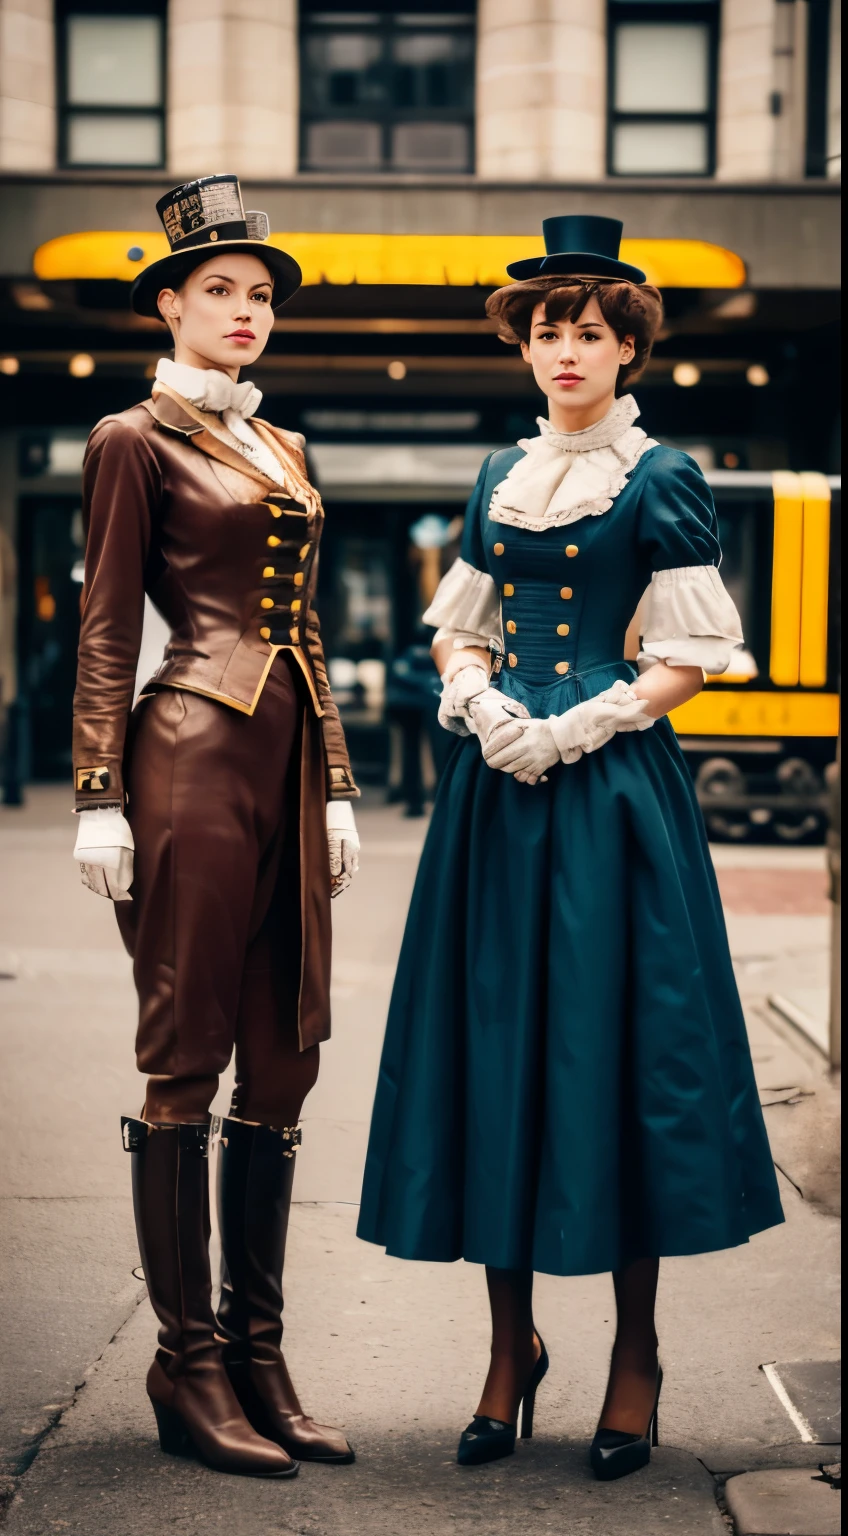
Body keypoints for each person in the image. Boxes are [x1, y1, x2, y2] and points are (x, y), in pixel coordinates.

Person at [357, 216, 783, 1481]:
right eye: (548, 331)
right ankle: (508, 1350)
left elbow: (688, 657)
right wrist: (481, 703)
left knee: (619, 1057)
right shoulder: (498, 474)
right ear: (525, 347)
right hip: (496, 793)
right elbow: (459, 627)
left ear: (627, 347)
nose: (565, 351)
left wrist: (580, 724)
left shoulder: (662, 477)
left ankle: (634, 1358)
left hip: (609, 801)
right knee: (499, 1055)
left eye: (589, 331)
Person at [71, 175, 359, 1478]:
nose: (246, 313)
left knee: (283, 1055)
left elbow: (308, 631)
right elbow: (105, 629)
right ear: (171, 303)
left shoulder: (285, 447)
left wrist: (340, 779)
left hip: (288, 761)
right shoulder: (131, 436)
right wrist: (96, 795)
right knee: (186, 1054)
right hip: (186, 749)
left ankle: (257, 1349)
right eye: (222, 293)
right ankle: (185, 1364)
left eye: (260, 297)